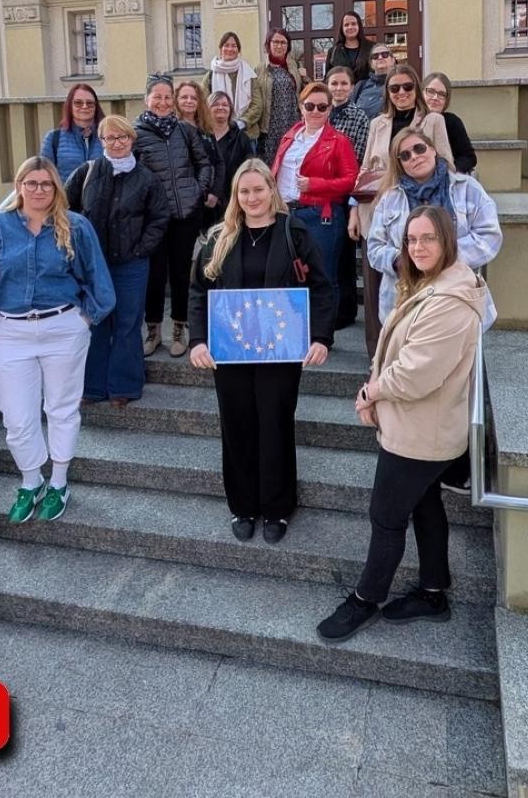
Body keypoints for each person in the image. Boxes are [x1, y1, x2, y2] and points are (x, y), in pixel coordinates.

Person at [317, 207, 488, 643]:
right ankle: (434, 592)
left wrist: (370, 392)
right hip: (422, 427)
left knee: (386, 516)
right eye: (412, 240)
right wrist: (376, 383)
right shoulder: (437, 285)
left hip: (419, 432)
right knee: (425, 504)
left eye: (428, 238)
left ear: (447, 240)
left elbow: (414, 374)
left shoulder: (449, 300)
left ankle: (365, 598)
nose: (418, 247)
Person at [0, 157, 115, 525]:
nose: (39, 190)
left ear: (56, 188)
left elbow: (99, 280)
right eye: (32, 183)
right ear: (19, 186)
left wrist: (85, 318)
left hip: (63, 328)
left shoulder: (76, 226)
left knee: (61, 408)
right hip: (11, 333)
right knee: (16, 416)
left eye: (46, 184)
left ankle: (59, 482)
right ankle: (31, 481)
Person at [188, 160, 333, 544]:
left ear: (272, 189)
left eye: (258, 189)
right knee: (236, 425)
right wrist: (198, 340)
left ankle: (277, 508)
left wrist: (320, 337)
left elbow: (321, 287)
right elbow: (199, 292)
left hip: (280, 351)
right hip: (230, 350)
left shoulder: (293, 232)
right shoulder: (219, 237)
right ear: (236, 195)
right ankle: (243, 505)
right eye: (244, 191)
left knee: (274, 423)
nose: (252, 197)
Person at [65, 116, 169, 407]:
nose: (117, 143)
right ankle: (93, 386)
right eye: (110, 138)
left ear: (131, 141)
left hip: (131, 264)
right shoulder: (86, 173)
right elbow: (64, 209)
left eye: (122, 137)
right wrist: (79, 247)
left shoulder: (146, 178)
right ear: (101, 142)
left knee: (126, 322)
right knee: (97, 321)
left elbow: (159, 219)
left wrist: (140, 249)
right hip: (94, 264)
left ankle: (124, 386)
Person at [350, 63, 453, 355]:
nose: (401, 93)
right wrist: (353, 209)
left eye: (407, 86)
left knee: (421, 289)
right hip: (377, 214)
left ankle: (416, 355)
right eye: (394, 88)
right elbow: (365, 169)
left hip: (421, 216)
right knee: (374, 293)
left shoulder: (432, 121)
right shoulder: (377, 124)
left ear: (416, 89)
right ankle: (378, 356)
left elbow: (445, 162)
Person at [366, 126, 501, 326]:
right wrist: (400, 260)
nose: (414, 156)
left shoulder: (467, 188)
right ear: (400, 164)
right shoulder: (390, 199)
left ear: (433, 150)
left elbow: (489, 236)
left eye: (419, 148)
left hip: (456, 291)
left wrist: (442, 257)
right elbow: (374, 248)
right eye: (405, 155)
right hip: (405, 297)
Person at [135, 73, 216, 357]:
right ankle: (154, 329)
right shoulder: (136, 133)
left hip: (185, 214)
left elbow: (204, 163)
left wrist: (198, 190)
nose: (162, 102)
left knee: (181, 273)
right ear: (147, 99)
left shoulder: (185, 130)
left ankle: (180, 327)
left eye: (167, 97)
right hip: (153, 218)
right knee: (154, 274)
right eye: (157, 97)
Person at [271, 81, 358, 323]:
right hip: (286, 214)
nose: (316, 112)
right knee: (288, 273)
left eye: (322, 107)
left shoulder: (339, 141)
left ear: (330, 109)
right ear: (301, 107)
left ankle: (322, 333)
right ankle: (296, 326)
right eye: (310, 106)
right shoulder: (290, 136)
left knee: (323, 276)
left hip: (321, 216)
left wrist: (316, 184)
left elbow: (351, 180)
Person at [325, 66, 370, 328]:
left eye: (343, 84)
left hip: (345, 191)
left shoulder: (359, 117)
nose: (339, 88)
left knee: (343, 256)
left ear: (351, 87)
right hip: (323, 192)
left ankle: (346, 310)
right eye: (334, 83)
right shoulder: (321, 113)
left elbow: (361, 156)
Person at [176, 80, 224, 227]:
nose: (189, 101)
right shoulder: (171, 130)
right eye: (184, 97)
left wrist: (215, 193)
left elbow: (219, 162)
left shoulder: (205, 129)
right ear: (176, 100)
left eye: (194, 98)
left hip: (208, 201)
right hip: (184, 203)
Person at [202, 31, 266, 138]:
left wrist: (241, 123)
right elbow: (204, 105)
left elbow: (257, 105)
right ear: (220, 49)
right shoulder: (210, 76)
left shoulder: (249, 74)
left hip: (247, 134)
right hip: (219, 135)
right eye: (226, 45)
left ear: (238, 50)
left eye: (234, 46)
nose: (230, 49)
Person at [206, 91, 256, 217]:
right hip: (207, 201)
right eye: (215, 104)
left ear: (230, 109)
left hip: (234, 199)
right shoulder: (202, 136)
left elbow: (250, 166)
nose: (221, 107)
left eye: (225, 104)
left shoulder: (240, 137)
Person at [259, 29, 306, 161]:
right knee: (271, 164)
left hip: (292, 122)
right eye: (276, 42)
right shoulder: (260, 69)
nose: (279, 46)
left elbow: (304, 91)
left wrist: (305, 77)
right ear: (269, 44)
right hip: (270, 128)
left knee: (291, 162)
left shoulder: (294, 66)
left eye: (283, 43)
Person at [40, 83, 105, 179]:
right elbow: (44, 176)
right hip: (66, 194)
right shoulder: (53, 138)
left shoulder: (108, 137)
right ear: (70, 106)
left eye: (90, 103)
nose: (84, 106)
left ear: (96, 107)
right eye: (78, 103)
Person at [421, 72, 478, 174]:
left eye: (441, 94)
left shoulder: (452, 122)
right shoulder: (412, 120)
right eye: (430, 91)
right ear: (421, 93)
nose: (435, 97)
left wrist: (451, 172)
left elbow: (468, 157)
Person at [325, 11, 373, 82]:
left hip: (367, 91)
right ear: (342, 28)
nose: (350, 27)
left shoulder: (372, 48)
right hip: (341, 91)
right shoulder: (333, 52)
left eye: (353, 24)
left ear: (359, 26)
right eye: (346, 25)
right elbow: (327, 78)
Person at [351, 43, 395, 120]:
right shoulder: (361, 86)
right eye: (375, 56)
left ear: (392, 60)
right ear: (371, 63)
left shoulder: (400, 86)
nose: (380, 57)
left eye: (384, 54)